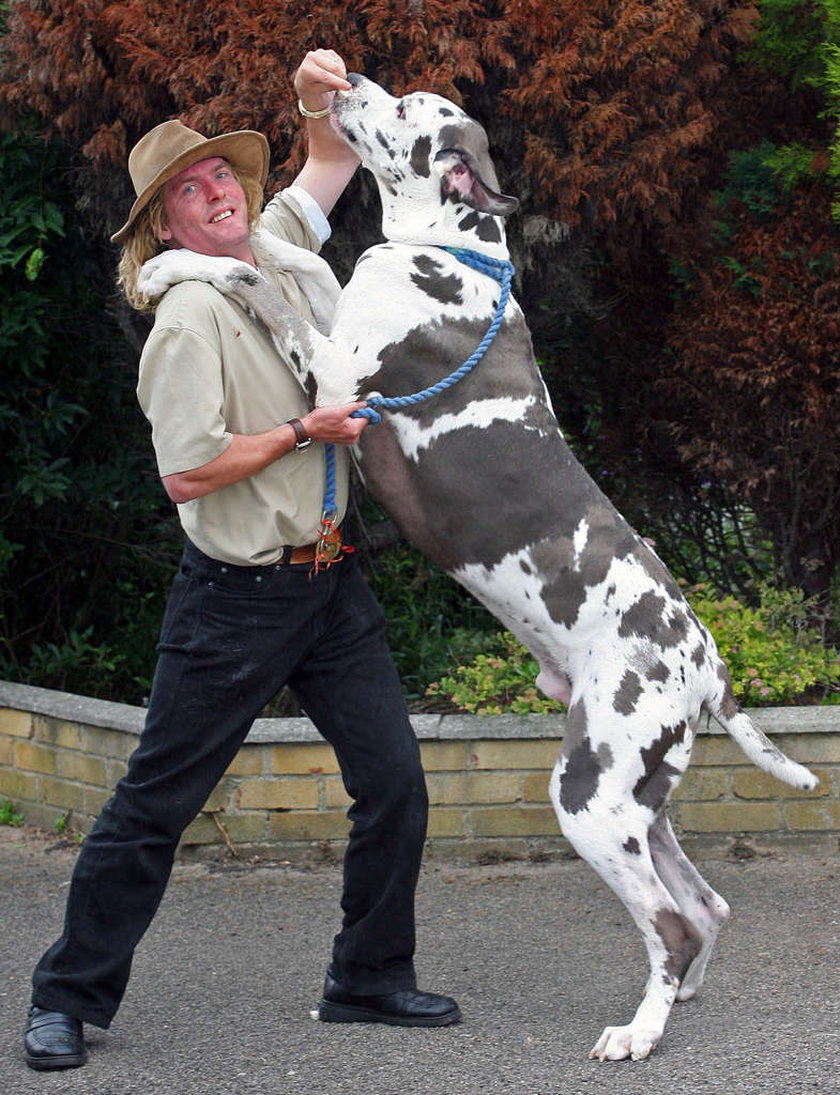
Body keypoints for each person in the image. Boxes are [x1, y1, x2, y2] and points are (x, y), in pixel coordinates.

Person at [23, 48, 460, 1073]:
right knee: (154, 807)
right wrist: (309, 431)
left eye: (221, 174)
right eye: (190, 188)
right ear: (163, 224)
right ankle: (65, 998)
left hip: (330, 579)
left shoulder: (274, 257)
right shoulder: (189, 316)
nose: (216, 191)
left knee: (395, 783)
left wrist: (323, 102)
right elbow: (190, 473)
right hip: (236, 599)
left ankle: (367, 977)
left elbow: (329, 165)